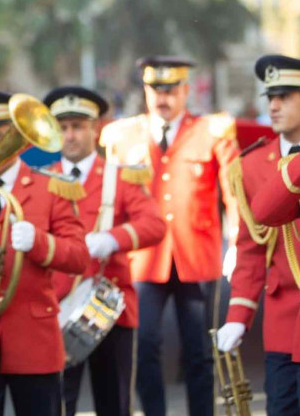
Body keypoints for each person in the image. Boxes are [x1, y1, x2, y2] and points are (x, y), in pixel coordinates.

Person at [100, 56, 240, 416]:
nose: (163, 97)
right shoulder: (123, 134)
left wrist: (237, 240)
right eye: (155, 90)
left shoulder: (211, 131)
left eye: (171, 90)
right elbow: (109, 198)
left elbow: (232, 192)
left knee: (199, 351)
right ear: (146, 91)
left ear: (185, 90)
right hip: (144, 258)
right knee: (144, 346)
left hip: (197, 255)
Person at [0, 90, 90, 416]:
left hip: (32, 340)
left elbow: (79, 256)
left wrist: (40, 242)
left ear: (14, 134)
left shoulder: (51, 187)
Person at [44, 86, 165, 416]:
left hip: (109, 309)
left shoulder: (121, 176)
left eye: (78, 126)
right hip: (55, 307)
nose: (70, 135)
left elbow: (155, 225)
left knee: (114, 403)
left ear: (96, 128)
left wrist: (112, 239)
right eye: (64, 127)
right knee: (57, 403)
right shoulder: (42, 180)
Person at [236, 56, 300, 415]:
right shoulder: (251, 165)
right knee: (281, 407)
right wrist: (238, 315)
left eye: (285, 96)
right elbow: (250, 246)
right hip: (282, 317)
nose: (274, 105)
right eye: (270, 97)